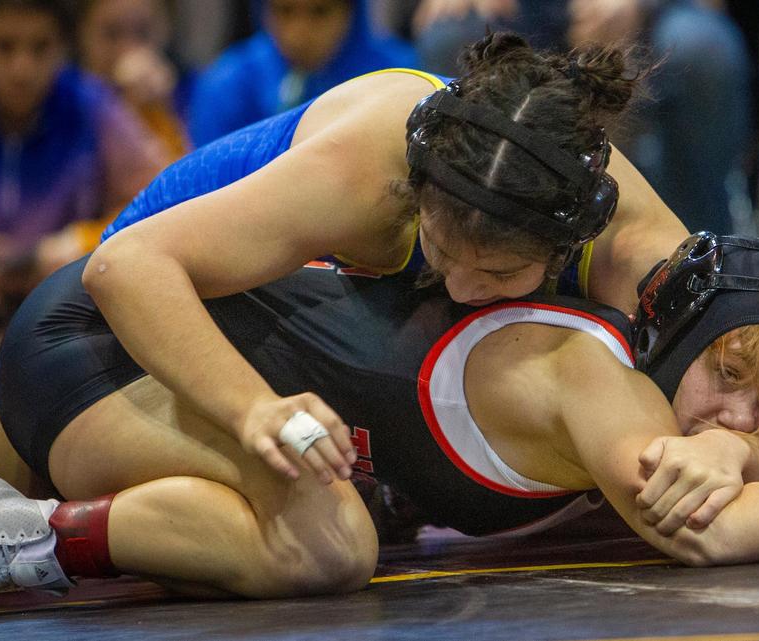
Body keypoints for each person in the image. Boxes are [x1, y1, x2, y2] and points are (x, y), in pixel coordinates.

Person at [0, 232, 759, 597]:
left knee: (328, 513)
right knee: (328, 542)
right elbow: (699, 528)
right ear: (676, 336)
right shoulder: (593, 372)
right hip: (106, 339)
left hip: (112, 355)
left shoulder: (628, 399)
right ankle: (28, 544)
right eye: (731, 379)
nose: (740, 417)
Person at [86, 32, 692, 492]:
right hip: (122, 319)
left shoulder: (624, 231)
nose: (461, 284)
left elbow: (736, 343)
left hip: (244, 313)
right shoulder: (367, 177)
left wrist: (730, 447)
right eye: (443, 250)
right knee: (325, 543)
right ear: (419, 196)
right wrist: (253, 408)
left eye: (499, 274)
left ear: (567, 247)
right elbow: (125, 265)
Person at [409, 0, 752, 235]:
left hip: (649, 13)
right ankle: (472, 239)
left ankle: (696, 244)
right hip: (523, 10)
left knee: (704, 51)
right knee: (450, 32)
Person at [0, 0, 167, 333]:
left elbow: (162, 198)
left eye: (40, 48)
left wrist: (79, 243)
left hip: (65, 307)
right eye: (3, 46)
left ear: (64, 47)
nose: (22, 68)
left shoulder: (92, 105)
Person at [186, 0, 417, 146]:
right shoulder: (226, 84)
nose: (300, 33)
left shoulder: (400, 77)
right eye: (284, 11)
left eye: (319, 11)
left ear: (352, 12)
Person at [73, 0, 195, 161]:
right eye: (112, 34)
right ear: (81, 34)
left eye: (143, 33)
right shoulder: (65, 102)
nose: (128, 49)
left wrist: (162, 113)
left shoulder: (194, 90)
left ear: (166, 29)